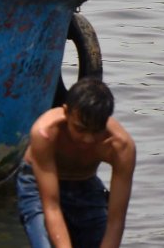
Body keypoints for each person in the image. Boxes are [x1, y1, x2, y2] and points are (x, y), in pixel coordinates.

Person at [17, 78, 136, 248]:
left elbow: (115, 222)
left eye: (96, 131)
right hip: (37, 184)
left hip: (86, 186)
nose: (88, 139)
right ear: (66, 113)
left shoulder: (121, 148)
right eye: (80, 129)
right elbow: (51, 207)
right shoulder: (45, 133)